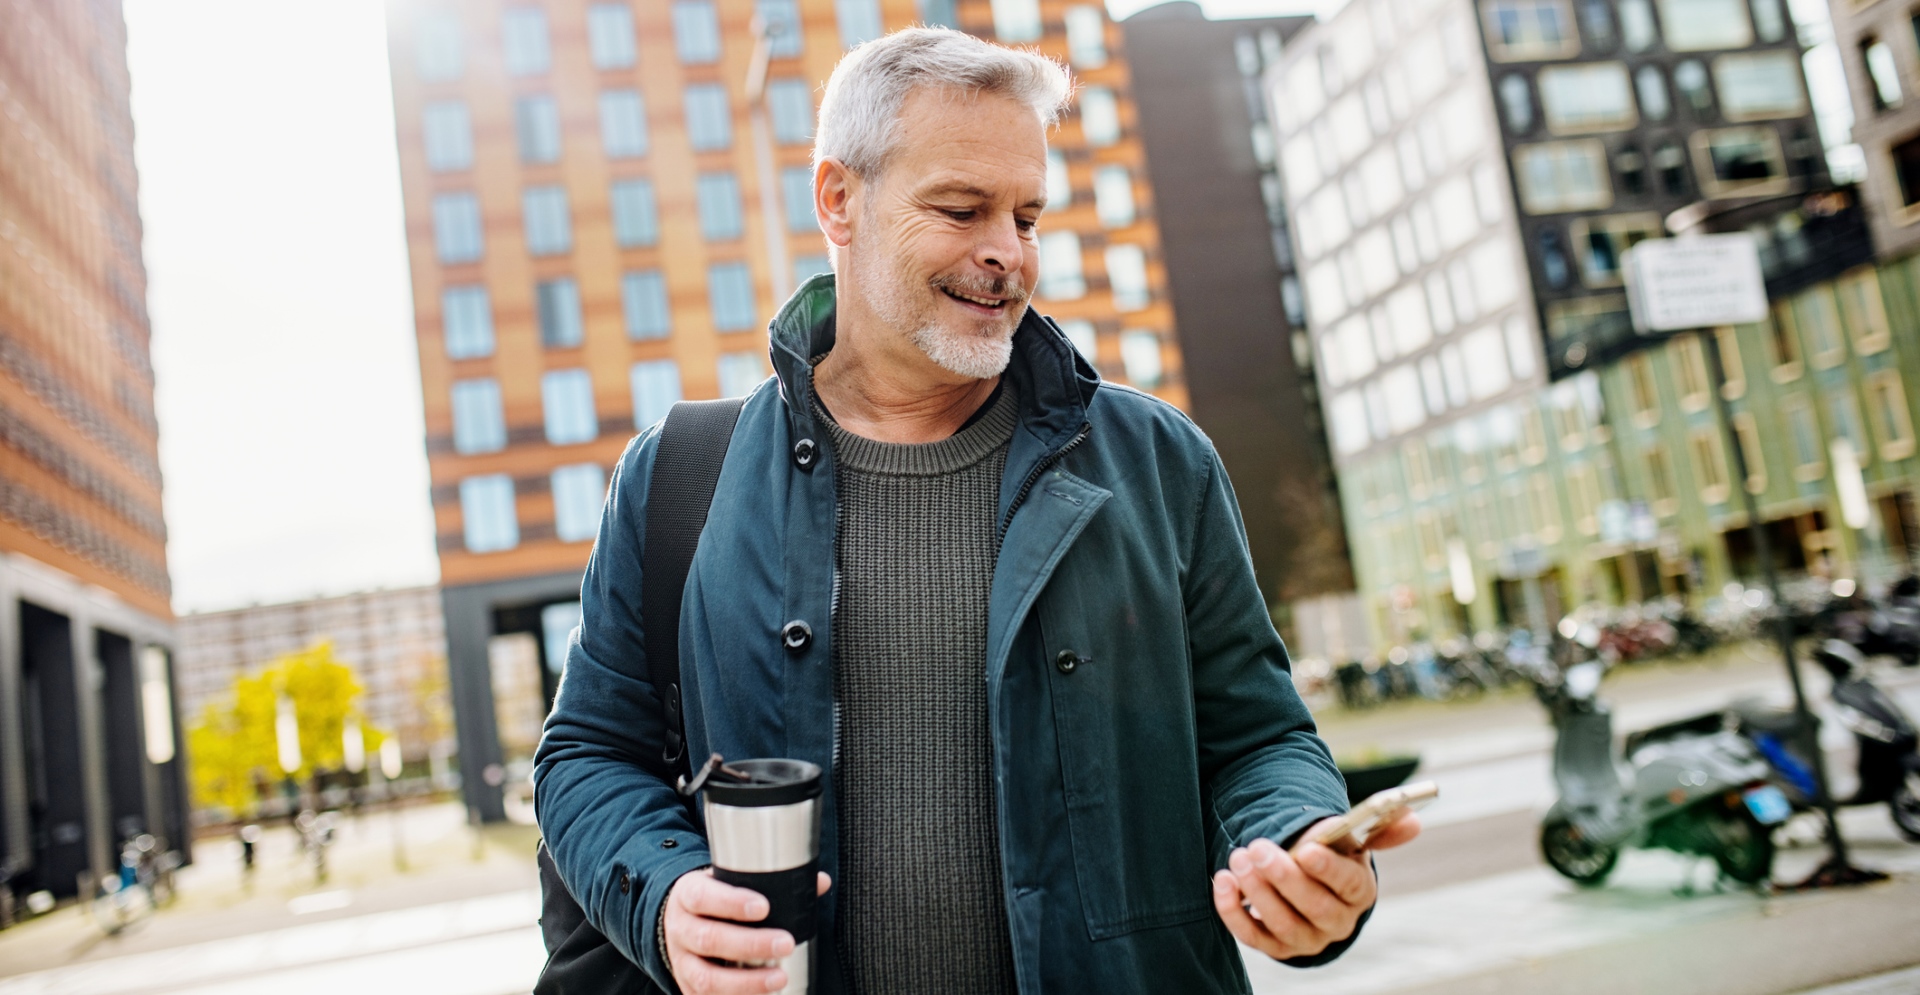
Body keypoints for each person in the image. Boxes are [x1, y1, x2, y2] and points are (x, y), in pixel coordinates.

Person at [534, 26, 1419, 995]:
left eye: (1028, 216)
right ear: (839, 199)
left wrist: (1292, 840)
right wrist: (662, 895)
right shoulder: (679, 475)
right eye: (961, 209)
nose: (1007, 252)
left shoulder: (1161, 461)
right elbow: (588, 752)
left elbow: (1259, 736)